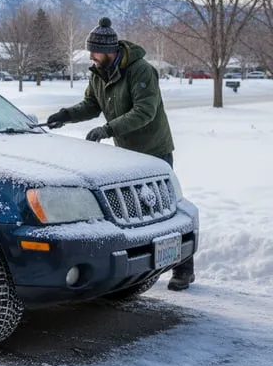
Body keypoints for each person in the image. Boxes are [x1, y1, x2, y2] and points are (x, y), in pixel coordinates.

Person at [46, 16, 195, 291]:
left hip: (154, 152)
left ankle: (184, 268)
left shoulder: (141, 71)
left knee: (164, 211)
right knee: (136, 214)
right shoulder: (98, 72)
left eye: (95, 51)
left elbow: (145, 112)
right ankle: (139, 265)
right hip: (126, 156)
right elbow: (91, 104)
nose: (91, 56)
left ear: (110, 51)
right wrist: (65, 115)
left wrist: (107, 129)